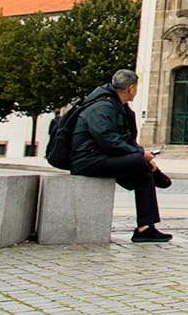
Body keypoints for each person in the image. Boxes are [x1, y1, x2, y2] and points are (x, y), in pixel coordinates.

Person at [72, 68, 172, 243]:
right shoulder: (102, 107)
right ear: (131, 88)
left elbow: (124, 139)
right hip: (87, 160)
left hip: (101, 157)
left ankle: (146, 227)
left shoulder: (118, 106)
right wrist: (140, 155)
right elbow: (107, 139)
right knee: (140, 164)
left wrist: (142, 155)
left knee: (143, 172)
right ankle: (157, 181)